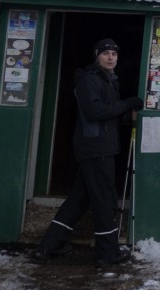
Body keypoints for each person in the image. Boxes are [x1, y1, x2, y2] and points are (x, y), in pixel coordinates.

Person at [33, 38, 144, 267]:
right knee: (104, 199)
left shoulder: (109, 80)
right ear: (96, 56)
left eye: (114, 54)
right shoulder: (89, 80)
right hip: (95, 148)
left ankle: (49, 246)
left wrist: (125, 115)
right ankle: (107, 253)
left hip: (100, 146)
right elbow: (95, 111)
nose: (111, 57)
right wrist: (127, 104)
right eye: (105, 53)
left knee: (79, 199)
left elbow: (108, 114)